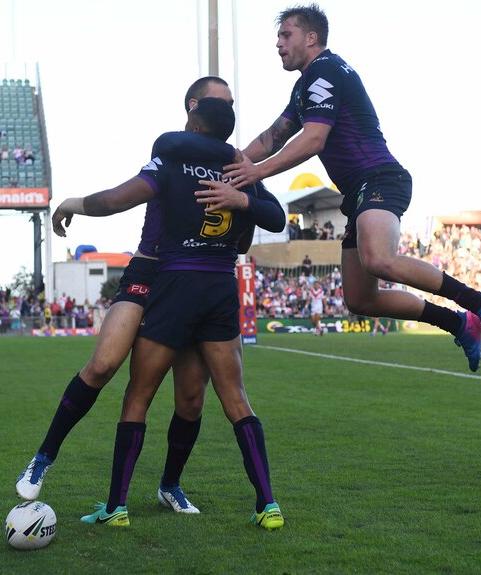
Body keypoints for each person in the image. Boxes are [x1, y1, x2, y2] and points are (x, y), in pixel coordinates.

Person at [222, 4, 481, 372]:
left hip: (379, 178)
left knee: (378, 258)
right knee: (360, 299)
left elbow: (313, 139)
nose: (278, 43)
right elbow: (273, 136)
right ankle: (458, 323)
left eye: (286, 35)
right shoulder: (305, 85)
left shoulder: (325, 70)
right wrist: (228, 163)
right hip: (359, 194)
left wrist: (255, 173)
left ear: (311, 38)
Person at [15, 77, 246, 518]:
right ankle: (42, 459)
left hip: (197, 283)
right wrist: (73, 202)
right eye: (223, 103)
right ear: (195, 107)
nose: (229, 112)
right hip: (149, 272)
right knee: (103, 364)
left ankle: (170, 486)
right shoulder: (172, 155)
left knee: (192, 398)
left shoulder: (237, 166)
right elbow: (118, 199)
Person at [55, 98, 286, 530]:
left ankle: (116, 507)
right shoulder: (240, 171)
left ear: (193, 126)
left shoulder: (171, 162)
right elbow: (275, 218)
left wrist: (71, 203)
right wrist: (241, 199)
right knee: (235, 399)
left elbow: (112, 201)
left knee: (138, 395)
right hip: (220, 288)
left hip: (176, 283)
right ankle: (267, 505)